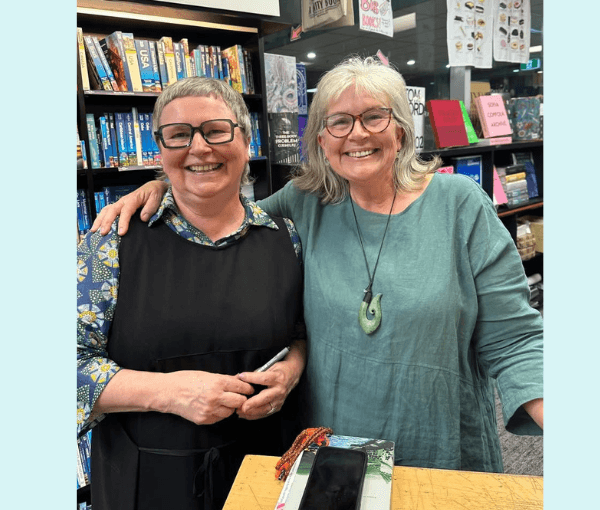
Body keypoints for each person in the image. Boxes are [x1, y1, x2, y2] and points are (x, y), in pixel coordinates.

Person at [92, 56, 544, 473]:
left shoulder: (459, 205)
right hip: (331, 451)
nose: (357, 134)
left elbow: (516, 338)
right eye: (339, 122)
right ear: (322, 140)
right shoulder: (305, 204)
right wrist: (160, 191)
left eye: (374, 117)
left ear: (401, 131)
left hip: (440, 448)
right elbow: (219, 207)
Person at [77, 77, 307, 510]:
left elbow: (298, 331)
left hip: (263, 472)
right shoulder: (111, 242)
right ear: (159, 150)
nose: (199, 148)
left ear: (245, 137)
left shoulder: (284, 237)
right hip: (146, 484)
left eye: (216, 130)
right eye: (179, 135)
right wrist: (169, 393)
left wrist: (292, 368)